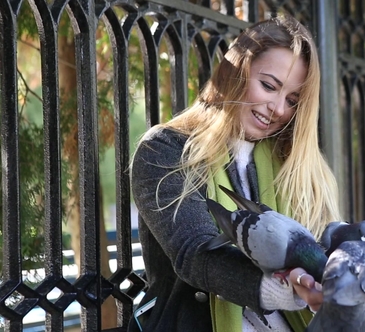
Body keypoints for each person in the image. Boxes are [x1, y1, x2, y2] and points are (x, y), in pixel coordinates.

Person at [128, 14, 342, 332]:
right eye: (269, 86)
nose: (279, 108)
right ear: (235, 71)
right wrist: (288, 288)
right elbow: (195, 254)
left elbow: (319, 246)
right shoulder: (165, 149)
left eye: (293, 100)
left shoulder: (293, 165)